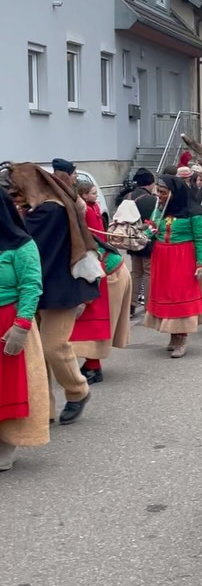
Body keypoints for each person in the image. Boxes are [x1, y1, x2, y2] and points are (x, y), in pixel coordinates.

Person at [8, 163, 101, 425]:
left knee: (53, 346)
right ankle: (43, 409)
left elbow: (26, 243)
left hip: (59, 288)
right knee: (36, 353)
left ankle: (77, 391)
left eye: (18, 192)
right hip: (38, 287)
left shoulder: (49, 211)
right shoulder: (43, 208)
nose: (16, 197)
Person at [0, 187, 49, 472]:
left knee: (8, 386)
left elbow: (31, 286)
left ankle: (7, 443)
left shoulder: (22, 246)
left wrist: (21, 325)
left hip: (9, 321)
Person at [144, 175, 202, 358]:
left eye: (163, 193)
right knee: (168, 296)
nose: (160, 196)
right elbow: (153, 229)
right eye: (158, 192)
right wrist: (143, 234)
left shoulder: (194, 212)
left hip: (183, 258)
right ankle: (173, 334)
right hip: (162, 258)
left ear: (175, 192)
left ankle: (182, 337)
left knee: (180, 296)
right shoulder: (160, 209)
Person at [71, 240, 132, 384]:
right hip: (94, 271)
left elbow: (91, 261)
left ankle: (93, 367)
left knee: (93, 322)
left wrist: (86, 298)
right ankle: (91, 366)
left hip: (106, 272)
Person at [126, 169, 156, 316]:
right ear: (150, 183)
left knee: (136, 272)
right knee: (148, 273)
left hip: (132, 239)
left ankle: (131, 306)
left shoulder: (129, 196)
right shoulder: (152, 200)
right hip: (147, 240)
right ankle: (148, 307)